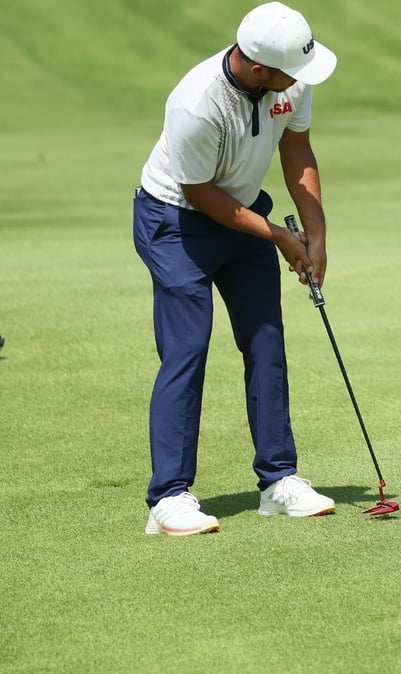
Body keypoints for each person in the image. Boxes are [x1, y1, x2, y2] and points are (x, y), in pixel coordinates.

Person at [133, 2, 339, 535]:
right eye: (289, 73)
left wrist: (314, 232)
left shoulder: (291, 77)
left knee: (265, 337)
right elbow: (200, 194)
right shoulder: (196, 103)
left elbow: (298, 150)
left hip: (245, 212)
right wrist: (277, 236)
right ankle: (169, 498)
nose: (298, 81)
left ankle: (278, 480)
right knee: (187, 347)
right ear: (256, 69)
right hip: (176, 221)